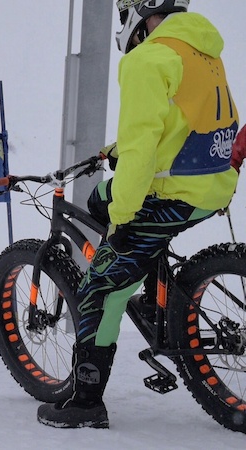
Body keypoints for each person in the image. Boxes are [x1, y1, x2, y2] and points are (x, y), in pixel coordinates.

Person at [37, 0, 239, 428]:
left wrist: (122, 217)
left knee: (101, 286)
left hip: (172, 194)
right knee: (107, 210)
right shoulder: (201, 47)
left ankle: (87, 402)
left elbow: (143, 149)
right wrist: (118, 150)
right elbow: (180, 122)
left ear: (139, 11)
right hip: (214, 184)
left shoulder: (148, 58)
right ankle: (148, 289)